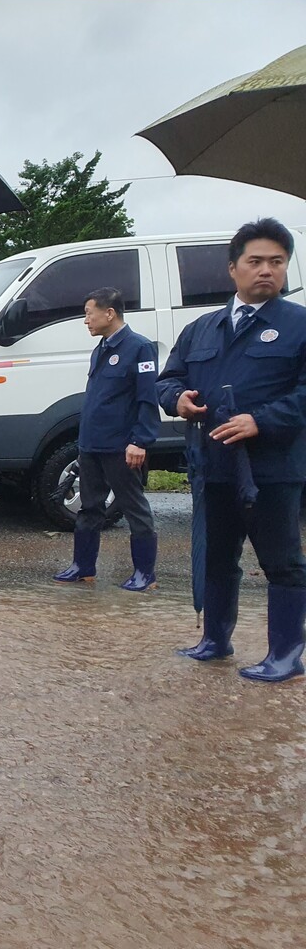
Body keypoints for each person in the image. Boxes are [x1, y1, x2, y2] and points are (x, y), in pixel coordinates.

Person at [158, 217, 306, 683]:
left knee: (282, 561)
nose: (267, 271)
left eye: (277, 262)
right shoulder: (203, 328)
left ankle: (285, 654)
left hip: (272, 469)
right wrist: (176, 399)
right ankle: (215, 640)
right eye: (256, 261)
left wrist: (261, 420)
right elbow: (167, 380)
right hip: (213, 466)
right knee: (218, 557)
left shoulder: (299, 326)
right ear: (233, 268)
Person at [53, 287, 160, 590]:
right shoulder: (101, 348)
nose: (86, 320)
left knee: (134, 508)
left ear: (109, 313)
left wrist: (140, 441)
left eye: (89, 313)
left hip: (121, 446)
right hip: (92, 445)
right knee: (89, 508)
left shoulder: (139, 348)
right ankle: (83, 567)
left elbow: (147, 399)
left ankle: (145, 573)